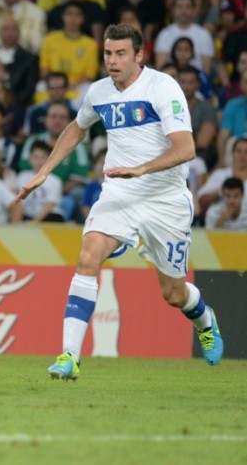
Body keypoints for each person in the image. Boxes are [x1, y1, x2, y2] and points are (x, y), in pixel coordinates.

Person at [15, 24, 223, 381]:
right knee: (87, 255)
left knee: (172, 293)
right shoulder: (98, 93)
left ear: (139, 55)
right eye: (108, 53)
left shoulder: (162, 87)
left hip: (164, 201)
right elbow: (78, 128)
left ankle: (205, 320)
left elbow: (186, 148)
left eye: (121, 53)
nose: (113, 60)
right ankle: (69, 356)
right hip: (119, 194)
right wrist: (45, 171)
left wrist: (141, 169)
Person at [153, 0, 215, 75]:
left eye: (188, 7)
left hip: (196, 83)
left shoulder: (204, 35)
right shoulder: (164, 34)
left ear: (194, 10)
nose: (184, 10)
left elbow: (206, 71)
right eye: (180, 7)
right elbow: (160, 69)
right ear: (173, 10)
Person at [13, 140, 65, 223]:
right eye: (36, 157)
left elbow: (49, 205)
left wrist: (34, 223)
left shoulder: (55, 181)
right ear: (30, 159)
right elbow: (16, 199)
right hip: (27, 215)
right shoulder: (22, 176)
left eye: (42, 157)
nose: (39, 161)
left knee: (54, 218)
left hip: (48, 216)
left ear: (49, 159)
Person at [197, 137, 247, 213]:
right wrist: (221, 192)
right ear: (232, 153)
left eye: (246, 152)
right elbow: (201, 202)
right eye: (239, 151)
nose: (242, 156)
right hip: (221, 222)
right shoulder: (220, 175)